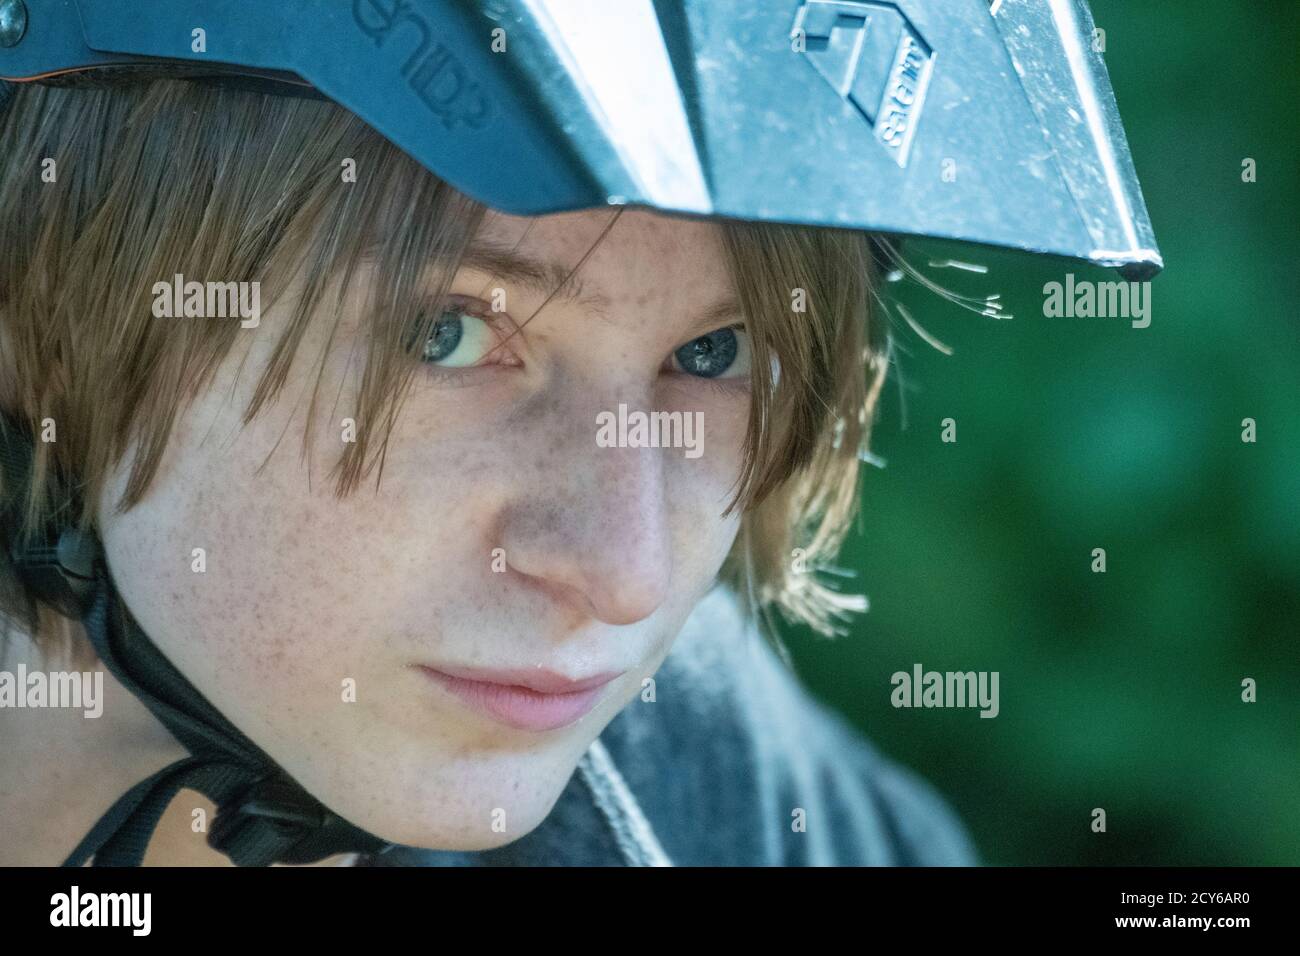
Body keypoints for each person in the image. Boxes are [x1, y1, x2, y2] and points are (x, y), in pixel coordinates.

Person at [0, 77, 976, 866]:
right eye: (446, 332)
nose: (621, 575)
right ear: (39, 323)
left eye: (715, 353)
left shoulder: (706, 761)